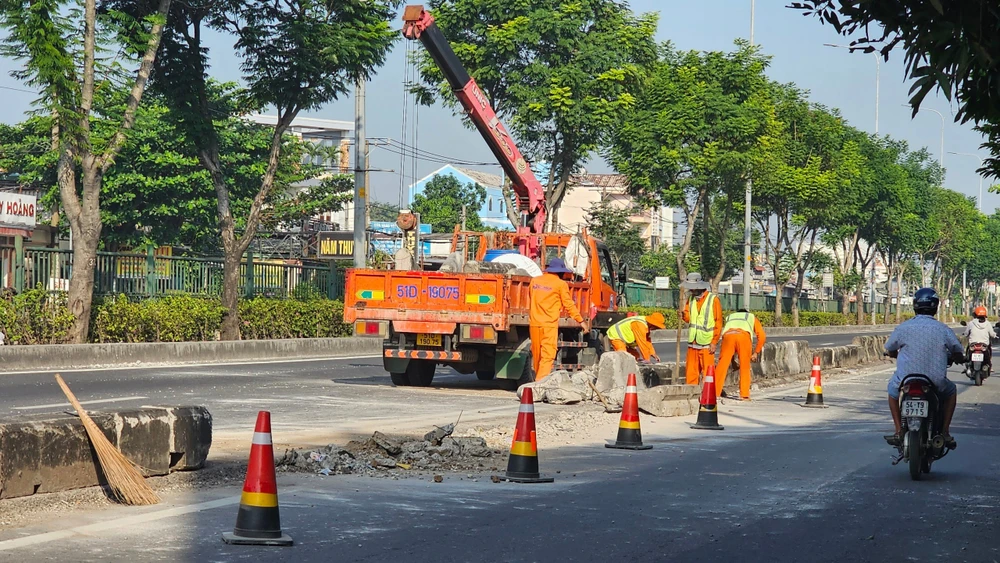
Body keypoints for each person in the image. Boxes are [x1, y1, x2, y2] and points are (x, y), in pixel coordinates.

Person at [883, 287, 964, 449]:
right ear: (935, 307)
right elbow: (957, 350)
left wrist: (894, 354)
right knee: (951, 391)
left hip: (905, 380)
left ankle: (898, 430)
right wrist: (959, 358)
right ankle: (945, 432)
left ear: (915, 306)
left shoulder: (903, 328)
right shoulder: (943, 329)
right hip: (935, 381)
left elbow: (890, 348)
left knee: (892, 393)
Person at [529, 257, 589, 381]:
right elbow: (569, 305)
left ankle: (537, 379)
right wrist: (581, 321)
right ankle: (539, 384)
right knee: (547, 356)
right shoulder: (560, 284)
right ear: (560, 272)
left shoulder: (534, 281)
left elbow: (531, 298)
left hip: (534, 324)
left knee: (537, 356)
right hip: (549, 325)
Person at [680, 273, 723, 386]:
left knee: (707, 373)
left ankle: (707, 394)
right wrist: (683, 315)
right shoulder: (691, 299)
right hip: (693, 343)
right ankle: (691, 392)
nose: (691, 290)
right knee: (691, 373)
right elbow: (689, 318)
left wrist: (714, 342)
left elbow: (718, 322)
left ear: (699, 286)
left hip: (706, 344)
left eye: (693, 288)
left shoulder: (713, 300)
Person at [715, 308, 767, 400]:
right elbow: (762, 337)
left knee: (722, 365)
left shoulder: (730, 317)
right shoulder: (751, 317)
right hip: (743, 337)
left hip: (728, 336)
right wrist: (756, 352)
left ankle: (715, 392)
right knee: (745, 366)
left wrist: (733, 361)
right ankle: (744, 395)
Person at [963, 305, 995, 373]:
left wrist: (965, 334)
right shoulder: (988, 324)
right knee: (989, 350)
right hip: (984, 345)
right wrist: (995, 335)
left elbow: (966, 333)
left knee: (968, 350)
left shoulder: (971, 323)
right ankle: (989, 365)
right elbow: (992, 334)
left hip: (973, 344)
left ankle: (968, 363)